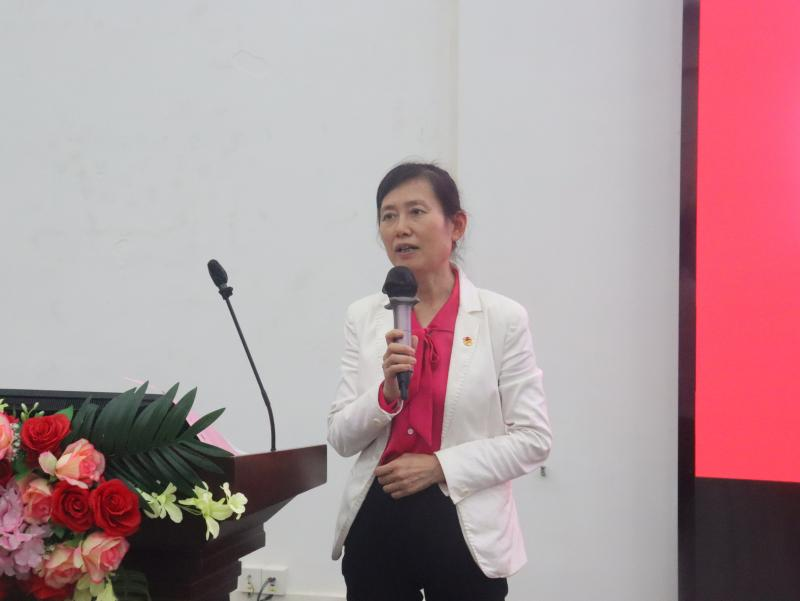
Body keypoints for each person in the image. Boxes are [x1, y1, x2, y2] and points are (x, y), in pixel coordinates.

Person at [328, 162, 551, 601]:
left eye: (416, 211)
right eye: (388, 216)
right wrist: (384, 395)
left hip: (463, 521)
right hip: (378, 517)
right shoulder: (364, 316)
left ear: (457, 225)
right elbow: (340, 436)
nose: (400, 228)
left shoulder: (502, 319)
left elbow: (533, 439)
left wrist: (438, 466)